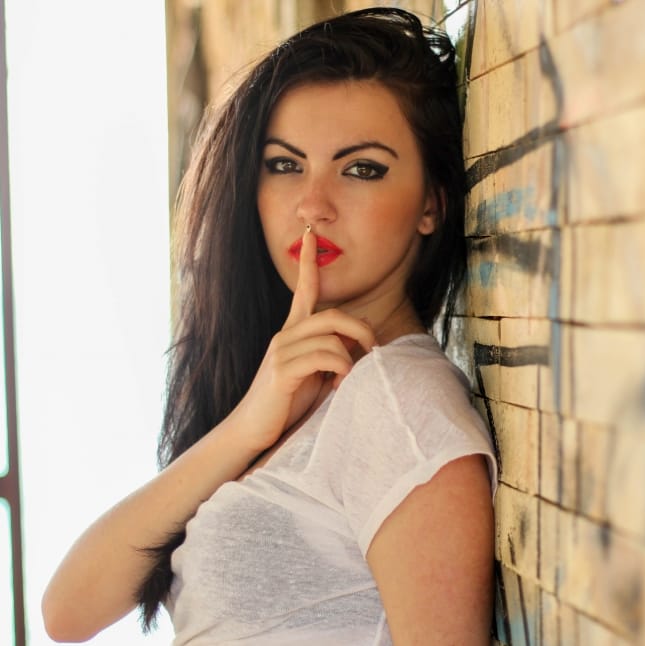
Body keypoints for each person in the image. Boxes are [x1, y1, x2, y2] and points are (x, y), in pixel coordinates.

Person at [41, 7, 496, 645]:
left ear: (431, 204)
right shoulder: (292, 400)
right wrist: (248, 425)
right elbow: (68, 612)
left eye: (361, 167)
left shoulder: (399, 405)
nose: (313, 204)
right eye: (285, 165)